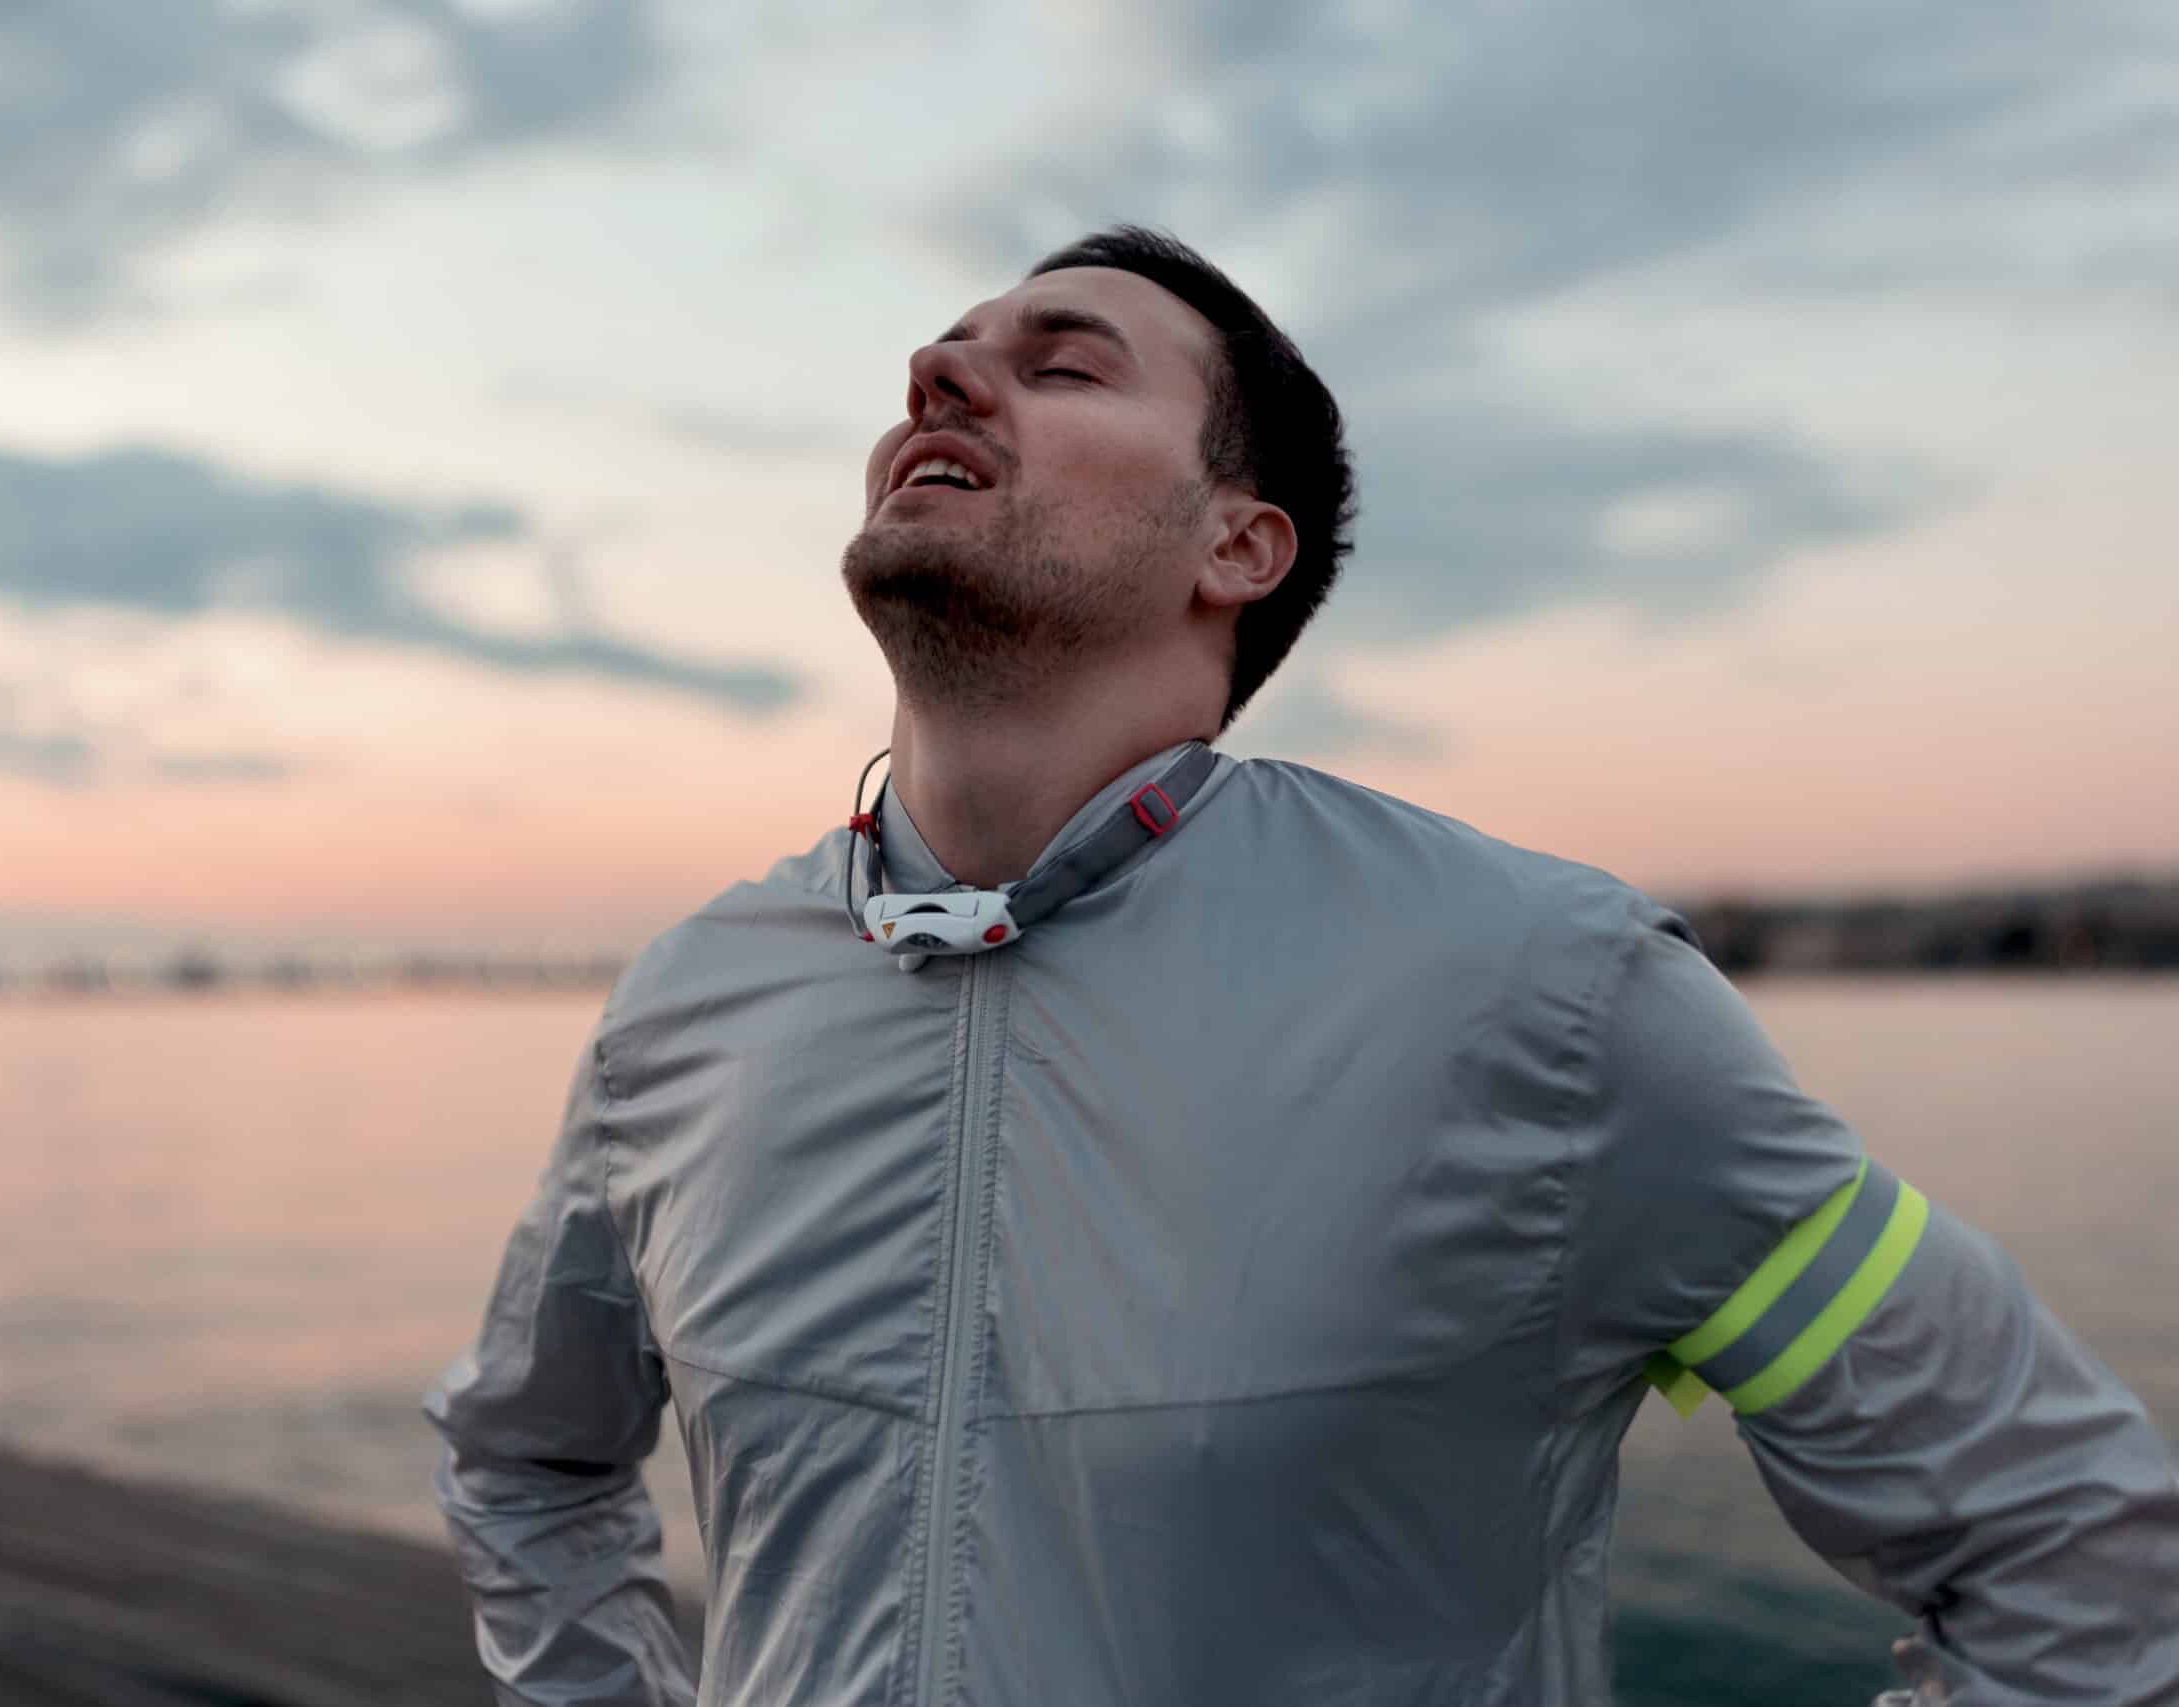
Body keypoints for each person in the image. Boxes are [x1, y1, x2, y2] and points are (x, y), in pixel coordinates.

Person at [423, 225, 2179, 1706]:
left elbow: (2071, 1545)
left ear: (1235, 545)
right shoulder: (690, 1006)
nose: (937, 379)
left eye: (1065, 363)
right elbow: (531, 1457)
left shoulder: (1543, 996)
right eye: (947, 354)